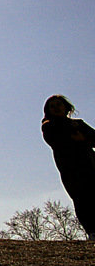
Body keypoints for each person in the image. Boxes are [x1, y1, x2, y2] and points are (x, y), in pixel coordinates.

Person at [41, 94, 95, 239]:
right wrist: (79, 138)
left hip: (91, 165)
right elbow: (58, 141)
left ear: (66, 107)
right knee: (82, 200)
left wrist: (83, 139)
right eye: (52, 106)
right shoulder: (48, 126)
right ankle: (92, 232)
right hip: (71, 170)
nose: (56, 108)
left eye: (59, 104)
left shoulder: (79, 123)